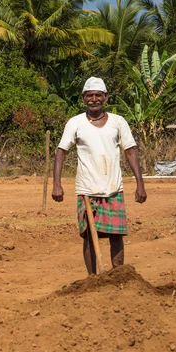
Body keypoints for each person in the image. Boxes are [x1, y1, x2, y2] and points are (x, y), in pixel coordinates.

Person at [52, 77, 147, 275]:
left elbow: (130, 151)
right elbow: (61, 152)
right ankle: (92, 278)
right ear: (83, 98)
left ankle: (118, 276)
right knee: (88, 235)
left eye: (98, 95)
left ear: (106, 97)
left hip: (113, 188)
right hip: (87, 189)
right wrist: (57, 184)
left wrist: (140, 184)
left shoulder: (117, 122)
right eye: (89, 95)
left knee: (116, 234)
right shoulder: (75, 123)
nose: (94, 99)